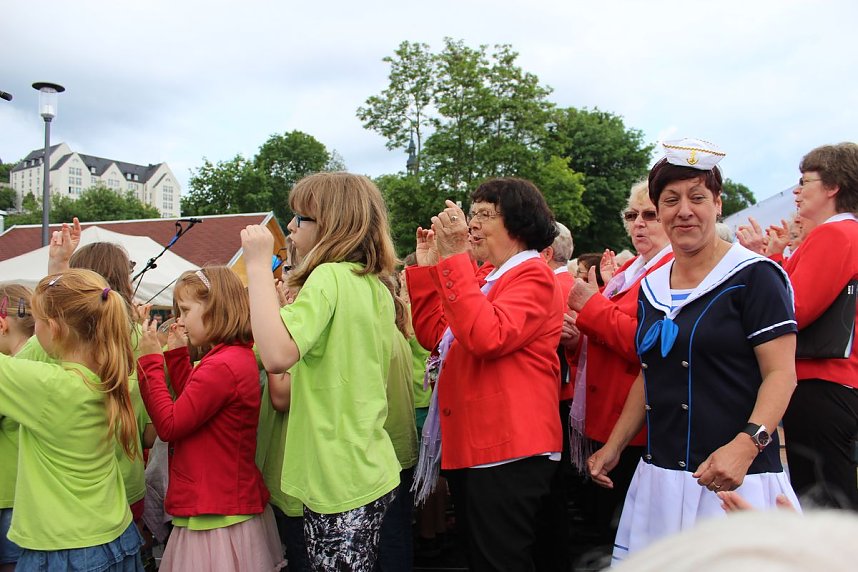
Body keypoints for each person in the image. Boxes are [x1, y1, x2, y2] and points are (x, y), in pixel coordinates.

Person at [588, 138, 800, 563]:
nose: (684, 210)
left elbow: (781, 374)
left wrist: (746, 445)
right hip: (660, 480)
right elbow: (650, 373)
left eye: (697, 197)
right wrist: (614, 445)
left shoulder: (755, 276)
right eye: (671, 200)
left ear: (717, 204)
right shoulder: (651, 287)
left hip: (735, 479)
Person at [242, 172, 401, 571]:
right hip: (364, 466)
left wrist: (257, 266)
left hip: (337, 477)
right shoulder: (373, 285)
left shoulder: (328, 277)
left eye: (301, 217)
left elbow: (276, 354)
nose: (291, 226)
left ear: (332, 224)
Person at [406, 177, 563, 571]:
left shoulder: (533, 275)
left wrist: (454, 257)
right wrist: (429, 268)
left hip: (508, 449)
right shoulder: (489, 276)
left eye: (485, 214)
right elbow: (435, 335)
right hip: (482, 445)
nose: (472, 224)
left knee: (499, 561)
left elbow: (486, 336)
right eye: (472, 213)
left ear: (519, 224)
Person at [136, 267, 280, 571]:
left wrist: (150, 363)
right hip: (224, 502)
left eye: (186, 310)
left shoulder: (221, 365)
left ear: (214, 308)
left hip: (215, 512)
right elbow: (197, 405)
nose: (180, 320)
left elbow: (171, 424)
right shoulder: (231, 356)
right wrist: (177, 357)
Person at [0, 269, 143, 571]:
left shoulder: (49, 388)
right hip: (116, 535)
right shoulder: (111, 376)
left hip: (64, 550)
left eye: (37, 320)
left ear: (53, 328)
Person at [566, 180, 672, 547]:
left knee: (625, 531)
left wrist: (590, 306)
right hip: (609, 414)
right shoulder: (632, 270)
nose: (639, 223)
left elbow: (648, 344)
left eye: (650, 215)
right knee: (607, 527)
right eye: (632, 215)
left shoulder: (672, 268)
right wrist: (575, 339)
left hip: (638, 423)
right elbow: (605, 333)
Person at [47, 219, 156, 526]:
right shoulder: (143, 341)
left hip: (70, 490)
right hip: (127, 483)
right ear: (123, 282)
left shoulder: (58, 339)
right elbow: (150, 433)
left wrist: (56, 269)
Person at [780, 142, 858, 509]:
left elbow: (793, 307)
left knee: (825, 507)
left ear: (832, 187)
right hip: (833, 384)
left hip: (821, 384)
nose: (796, 191)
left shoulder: (834, 234)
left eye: (804, 181)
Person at [0, 284, 35, 572]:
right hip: (29, 492)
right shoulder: (44, 361)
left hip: (7, 493)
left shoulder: (9, 371)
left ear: (2, 325)